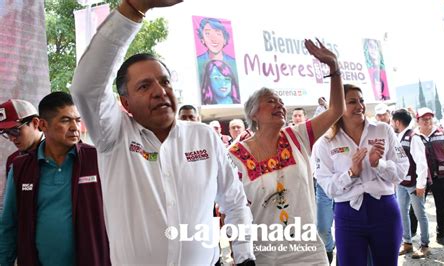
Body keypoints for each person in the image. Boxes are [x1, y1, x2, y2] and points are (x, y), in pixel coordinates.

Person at [70, 1, 255, 265]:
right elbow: (86, 87)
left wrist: (245, 255)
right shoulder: (115, 135)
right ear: (125, 103)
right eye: (144, 86)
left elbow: (234, 201)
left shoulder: (204, 137)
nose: (160, 91)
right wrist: (134, 9)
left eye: (165, 81)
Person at [228, 38, 345, 265]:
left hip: (309, 253)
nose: (280, 105)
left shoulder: (297, 136)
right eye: (271, 101)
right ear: (253, 114)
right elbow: (232, 208)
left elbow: (336, 109)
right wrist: (238, 254)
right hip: (265, 255)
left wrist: (333, 67)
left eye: (281, 102)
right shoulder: (235, 156)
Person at [0, 92, 110, 265]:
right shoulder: (19, 167)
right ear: (44, 125)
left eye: (77, 120)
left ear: (36, 123)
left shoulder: (97, 159)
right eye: (66, 120)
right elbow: (8, 224)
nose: (75, 127)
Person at [314, 84, 409, 265]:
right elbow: (327, 187)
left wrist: (378, 164)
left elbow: (402, 171)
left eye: (361, 100)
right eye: (352, 102)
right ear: (337, 107)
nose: (360, 106)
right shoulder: (325, 142)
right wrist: (351, 173)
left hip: (385, 210)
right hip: (347, 214)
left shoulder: (383, 129)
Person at [391, 109, 431, 259]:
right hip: (402, 183)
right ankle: (407, 242)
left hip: (414, 184)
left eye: (392, 121)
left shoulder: (414, 137)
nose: (391, 124)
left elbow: (421, 163)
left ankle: (425, 244)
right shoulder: (398, 137)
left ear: (397, 122)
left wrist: (421, 184)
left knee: (420, 214)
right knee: (402, 212)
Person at [413, 107, 444, 247]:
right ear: (417, 120)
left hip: (441, 176)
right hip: (421, 178)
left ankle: (441, 234)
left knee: (442, 206)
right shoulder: (414, 136)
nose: (427, 121)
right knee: (416, 207)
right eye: (424, 119)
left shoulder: (442, 133)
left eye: (429, 118)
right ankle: (411, 234)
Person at [0, 99, 43, 176]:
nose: (11, 139)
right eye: (6, 132)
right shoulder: (12, 161)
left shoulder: (57, 154)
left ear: (35, 123)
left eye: (15, 131)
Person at [196, 17, 238, 87]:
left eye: (218, 34)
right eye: (207, 34)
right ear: (202, 39)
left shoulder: (232, 62)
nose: (213, 39)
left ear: (224, 39)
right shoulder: (199, 61)